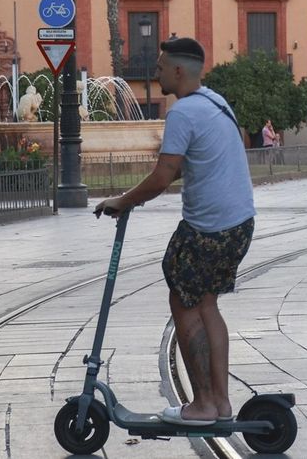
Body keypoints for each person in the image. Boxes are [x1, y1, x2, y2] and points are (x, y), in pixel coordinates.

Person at [94, 37, 255, 426]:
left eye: (162, 66)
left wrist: (124, 200)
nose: (156, 72)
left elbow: (165, 174)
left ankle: (201, 405)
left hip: (208, 227)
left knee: (184, 304)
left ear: (179, 71)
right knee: (207, 304)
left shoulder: (183, 113)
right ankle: (220, 402)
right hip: (239, 223)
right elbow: (189, 162)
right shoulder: (217, 103)